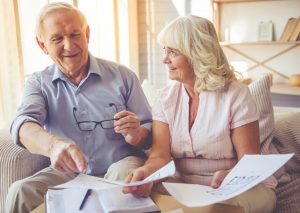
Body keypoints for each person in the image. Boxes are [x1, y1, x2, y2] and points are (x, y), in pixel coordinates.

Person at [6, 2, 152, 213]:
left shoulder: (123, 76)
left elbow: (150, 132)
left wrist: (138, 134)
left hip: (121, 164)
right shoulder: (38, 83)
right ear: (43, 45)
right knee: (20, 191)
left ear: (87, 34)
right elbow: (23, 124)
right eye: (57, 38)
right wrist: (53, 146)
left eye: (75, 34)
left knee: (121, 178)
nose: (69, 45)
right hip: (68, 173)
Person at [123, 15, 277, 213]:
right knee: (138, 200)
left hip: (235, 187)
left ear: (198, 54)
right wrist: (145, 172)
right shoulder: (165, 98)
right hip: (184, 187)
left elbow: (249, 163)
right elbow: (159, 156)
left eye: (173, 52)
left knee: (212, 209)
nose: (164, 59)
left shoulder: (236, 95)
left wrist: (229, 175)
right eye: (164, 50)